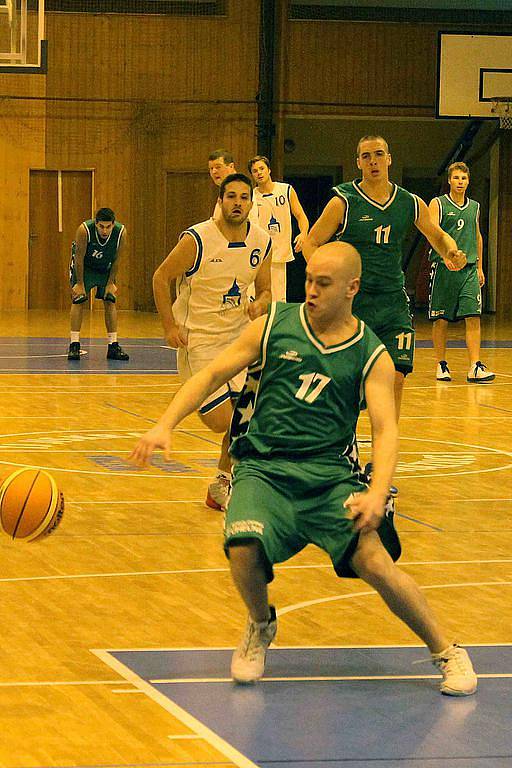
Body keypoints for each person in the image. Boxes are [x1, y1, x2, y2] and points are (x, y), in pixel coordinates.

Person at [130, 241, 477, 697]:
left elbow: (386, 429)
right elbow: (212, 374)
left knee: (376, 564)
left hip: (331, 476)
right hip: (264, 470)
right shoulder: (273, 325)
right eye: (309, 279)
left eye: (323, 283)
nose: (310, 290)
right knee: (243, 547)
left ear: (352, 288)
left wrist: (377, 490)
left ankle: (447, 650)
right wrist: (164, 424)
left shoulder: (371, 353)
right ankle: (259, 623)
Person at [302, 136, 467, 420]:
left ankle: (384, 446)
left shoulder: (409, 202)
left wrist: (451, 251)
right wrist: (324, 280)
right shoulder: (344, 200)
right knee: (349, 380)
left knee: (396, 377)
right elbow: (311, 242)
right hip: (353, 304)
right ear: (358, 163)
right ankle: (344, 443)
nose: (373, 161)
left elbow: (437, 234)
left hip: (393, 303)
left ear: (389, 158)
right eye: (366, 156)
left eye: (378, 154)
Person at [152, 173, 272, 511]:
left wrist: (260, 304)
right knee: (224, 421)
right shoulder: (198, 239)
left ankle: (221, 483)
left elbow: (265, 290)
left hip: (238, 340)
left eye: (243, 197)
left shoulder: (261, 241)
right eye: (230, 196)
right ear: (220, 201)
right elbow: (161, 277)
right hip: (199, 340)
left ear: (251, 202)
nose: (237, 202)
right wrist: (169, 325)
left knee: (248, 417)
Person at [428, 162, 495, 383]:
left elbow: (477, 237)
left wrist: (479, 267)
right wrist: (444, 256)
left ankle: (475, 366)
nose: (460, 182)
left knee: (473, 316)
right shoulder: (438, 204)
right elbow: (432, 234)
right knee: (441, 319)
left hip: (468, 269)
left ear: (468, 181)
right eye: (456, 178)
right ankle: (441, 364)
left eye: (464, 179)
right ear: (449, 180)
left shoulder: (474, 207)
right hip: (444, 268)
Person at [68, 207, 129, 361]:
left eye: (108, 227)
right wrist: (80, 283)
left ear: (113, 224)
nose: (104, 230)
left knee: (110, 300)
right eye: (101, 226)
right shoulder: (84, 230)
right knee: (78, 299)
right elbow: (79, 257)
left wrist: (110, 283)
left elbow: (117, 259)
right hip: (85, 267)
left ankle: (113, 345)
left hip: (105, 267)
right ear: (96, 223)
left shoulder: (121, 233)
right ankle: (74, 344)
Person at [248, 155, 309, 302]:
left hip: (279, 254)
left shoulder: (286, 190)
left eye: (262, 168)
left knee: (278, 300)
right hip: (257, 255)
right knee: (255, 299)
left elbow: (300, 215)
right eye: (255, 171)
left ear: (269, 170)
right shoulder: (251, 196)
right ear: (252, 175)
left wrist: (303, 233)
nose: (259, 173)